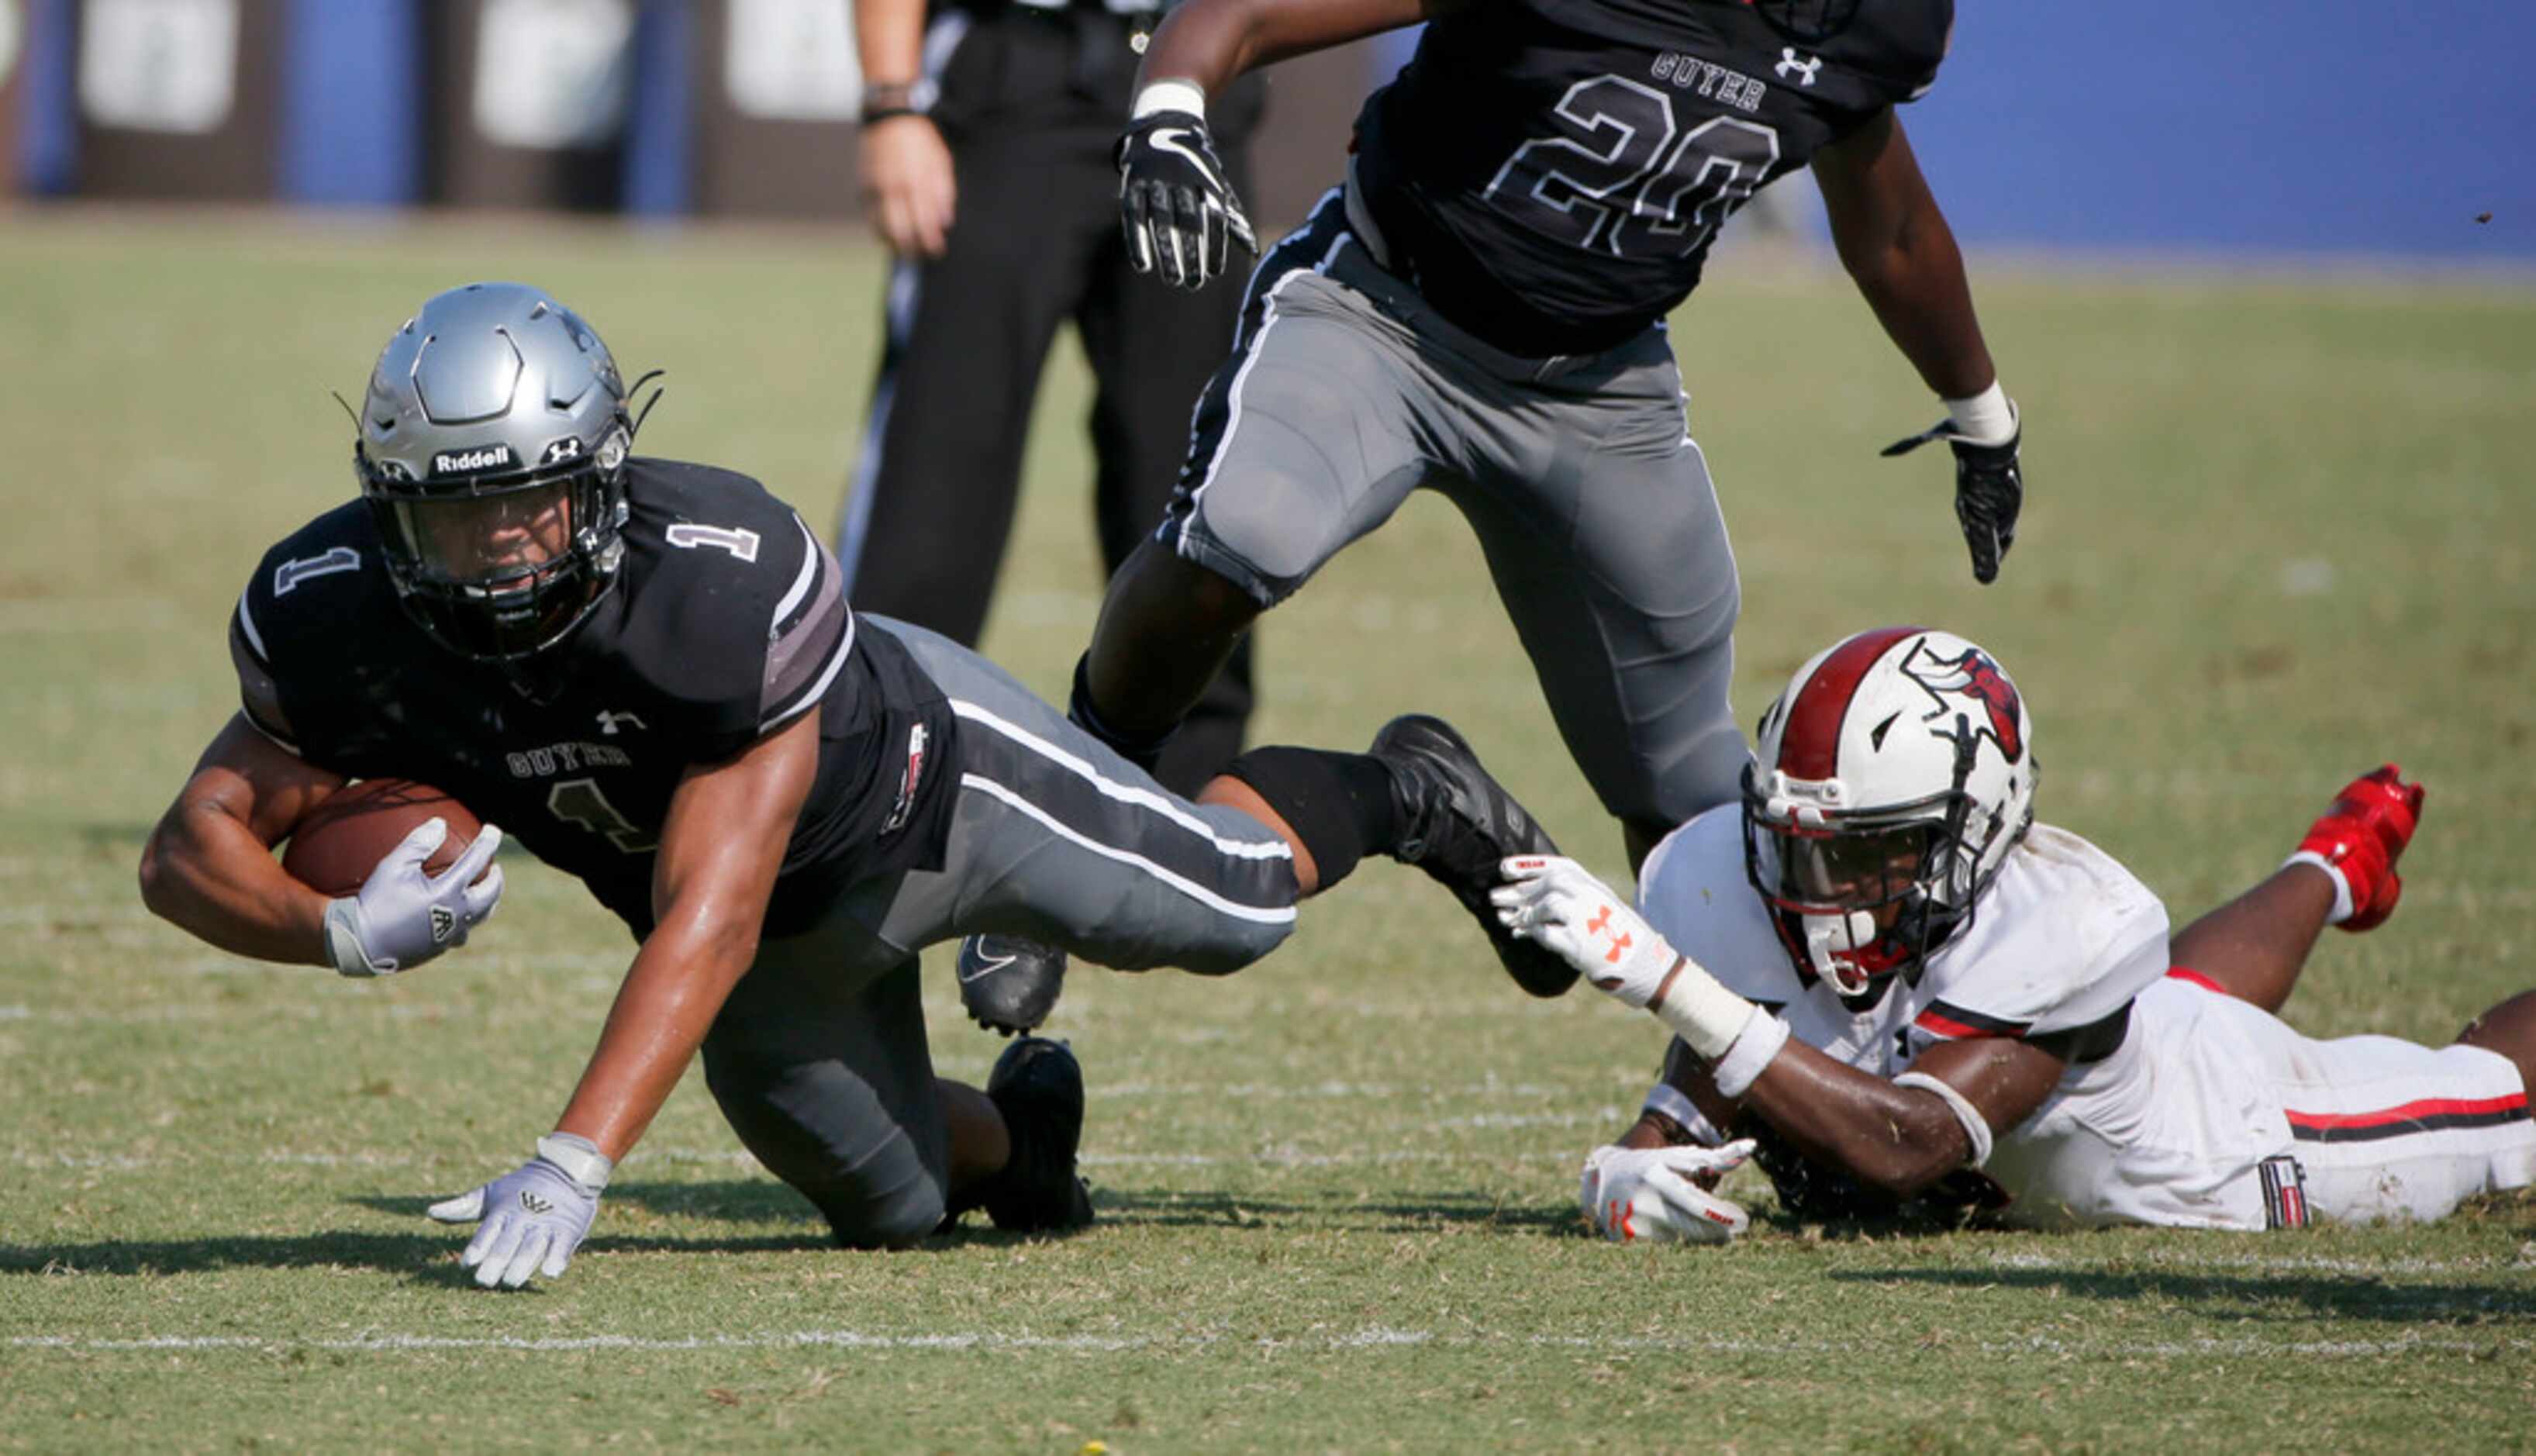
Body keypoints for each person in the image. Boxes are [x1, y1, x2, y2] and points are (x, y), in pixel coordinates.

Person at [135, 282, 1558, 1289]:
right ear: (389, 506)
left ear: (602, 476)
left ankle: (1405, 789)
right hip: (774, 939)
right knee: (896, 1207)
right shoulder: (339, 609)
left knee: (1236, 906)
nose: (498, 549)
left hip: (941, 792)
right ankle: (1033, 1140)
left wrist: (574, 1157)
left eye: (527, 503)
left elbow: (713, 900)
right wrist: (326, 930)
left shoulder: (713, 579)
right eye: (452, 514)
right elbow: (190, 843)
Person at [1081, 0, 2025, 875]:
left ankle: (1727, 1043)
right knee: (1243, 534)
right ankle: (1083, 783)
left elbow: (1891, 229)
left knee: (1687, 780)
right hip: (1383, 314)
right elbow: (1244, 13)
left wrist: (1980, 408)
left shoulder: (1867, 24)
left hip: (1599, 389)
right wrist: (1169, 106)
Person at [1490, 626, 2534, 1238]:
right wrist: (1625, 1165)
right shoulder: (1774, 884)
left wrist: (1667, 978)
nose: (1817, 882)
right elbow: (1726, 1052)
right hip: (2155, 1032)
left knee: (2481, 1091)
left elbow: (1909, 1144)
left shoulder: (2058, 933)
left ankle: (2345, 879)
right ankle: (2335, 860)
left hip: (2227, 1142)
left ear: (1970, 830)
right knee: (2184, 993)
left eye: (1861, 850)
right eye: (1798, 842)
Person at [839, 0, 1275, 1034]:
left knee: (1194, 473)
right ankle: (854, 766)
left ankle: (1183, 804)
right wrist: (891, 103)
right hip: (1015, 80)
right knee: (936, 485)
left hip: (1187, 83)